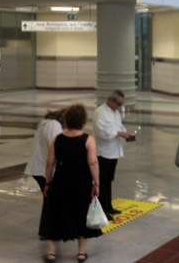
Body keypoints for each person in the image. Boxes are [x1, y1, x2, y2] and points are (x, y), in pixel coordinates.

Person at [40, 104, 101, 263]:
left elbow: (50, 163)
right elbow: (93, 163)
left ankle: (51, 253)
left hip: (61, 181)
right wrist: (96, 183)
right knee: (82, 214)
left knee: (56, 214)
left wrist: (48, 183)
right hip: (81, 182)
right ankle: (81, 253)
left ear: (66, 120)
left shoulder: (58, 139)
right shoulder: (88, 139)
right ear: (83, 120)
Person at [92, 90, 134, 221]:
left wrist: (127, 135)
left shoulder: (115, 112)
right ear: (111, 100)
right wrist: (120, 134)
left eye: (122, 104)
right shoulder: (100, 112)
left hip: (114, 152)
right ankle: (102, 210)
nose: (120, 106)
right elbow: (101, 132)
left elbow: (119, 127)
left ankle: (108, 206)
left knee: (109, 181)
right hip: (103, 153)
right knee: (102, 183)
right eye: (119, 103)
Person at [24, 109, 64, 239]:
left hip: (39, 167)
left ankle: (49, 230)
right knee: (51, 200)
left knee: (50, 200)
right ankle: (47, 231)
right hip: (44, 168)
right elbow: (57, 147)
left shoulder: (46, 123)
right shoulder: (54, 125)